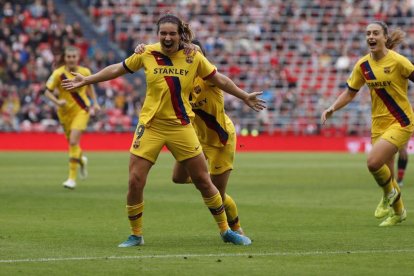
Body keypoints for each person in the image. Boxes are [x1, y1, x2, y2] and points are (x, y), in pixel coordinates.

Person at [62, 14, 265, 247]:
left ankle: (226, 230)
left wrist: (244, 96)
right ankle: (135, 235)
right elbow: (117, 69)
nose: (167, 38)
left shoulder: (193, 56)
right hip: (151, 126)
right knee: (135, 181)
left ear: (180, 35)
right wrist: (87, 80)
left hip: (181, 126)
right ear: (158, 34)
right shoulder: (146, 53)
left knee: (202, 180)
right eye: (163, 33)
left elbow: (219, 79)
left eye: (172, 33)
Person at [135, 39, 246, 234]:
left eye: (196, 52)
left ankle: (236, 228)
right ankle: (205, 180)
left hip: (220, 139)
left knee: (217, 194)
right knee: (178, 178)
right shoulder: (181, 79)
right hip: (195, 137)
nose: (192, 55)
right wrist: (142, 48)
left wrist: (244, 96)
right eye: (189, 51)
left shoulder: (209, 79)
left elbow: (224, 80)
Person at [321, 21, 413, 227]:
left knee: (373, 162)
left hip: (401, 121)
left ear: (385, 38)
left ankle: (388, 195)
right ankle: (398, 212)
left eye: (375, 33)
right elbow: (350, 92)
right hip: (378, 124)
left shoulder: (399, 62)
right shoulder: (363, 65)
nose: (371, 36)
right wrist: (333, 107)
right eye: (368, 33)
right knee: (387, 174)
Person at [44, 46, 101, 189]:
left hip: (82, 109)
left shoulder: (85, 72)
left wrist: (95, 103)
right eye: (68, 57)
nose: (71, 59)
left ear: (78, 57)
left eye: (73, 56)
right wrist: (57, 102)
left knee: (74, 141)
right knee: (72, 143)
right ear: (65, 58)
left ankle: (71, 179)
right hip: (64, 113)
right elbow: (47, 92)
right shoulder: (58, 74)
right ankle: (81, 159)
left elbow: (90, 87)